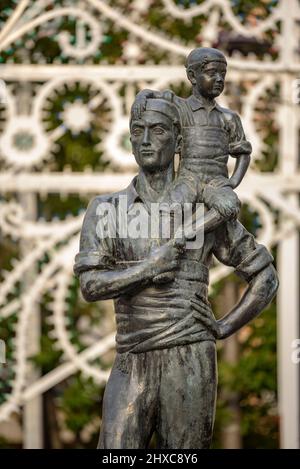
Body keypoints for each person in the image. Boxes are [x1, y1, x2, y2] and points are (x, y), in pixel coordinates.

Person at [74, 95, 278, 449]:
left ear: (179, 140)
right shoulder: (106, 209)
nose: (146, 140)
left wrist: (223, 326)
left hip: (190, 358)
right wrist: (147, 269)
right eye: (138, 131)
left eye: (157, 130)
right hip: (131, 359)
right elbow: (90, 285)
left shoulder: (205, 208)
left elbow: (266, 278)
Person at [133, 47, 252, 221]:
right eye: (212, 73)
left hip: (216, 183)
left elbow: (243, 154)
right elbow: (154, 95)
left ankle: (188, 236)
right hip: (187, 180)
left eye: (223, 74)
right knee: (167, 213)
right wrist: (141, 96)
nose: (219, 79)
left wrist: (233, 182)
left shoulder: (229, 118)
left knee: (229, 208)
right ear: (192, 76)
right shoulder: (180, 108)